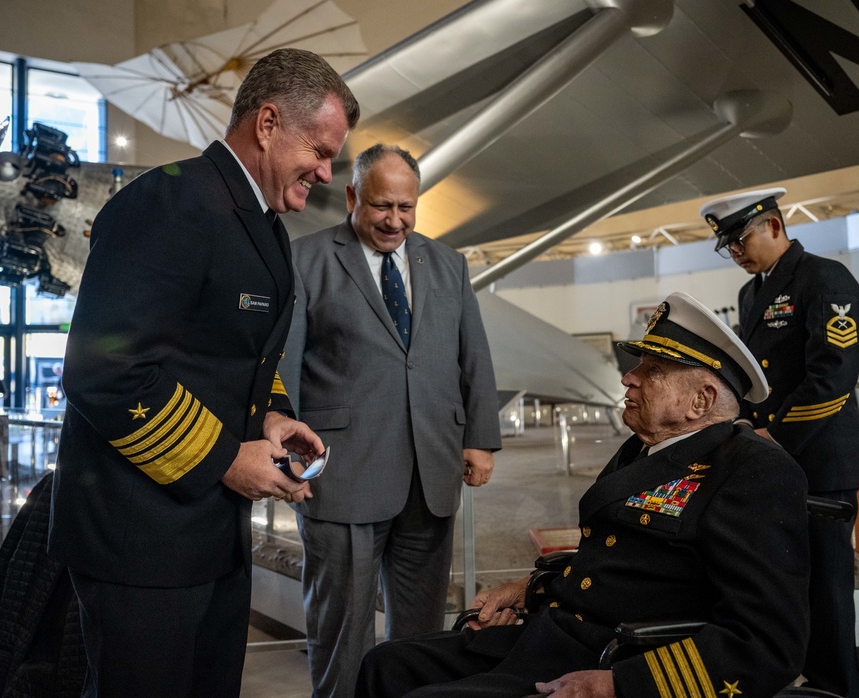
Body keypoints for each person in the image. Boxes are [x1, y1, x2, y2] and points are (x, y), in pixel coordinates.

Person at [47, 48, 360, 697]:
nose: (327, 174)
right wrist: (225, 457)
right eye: (320, 150)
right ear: (268, 123)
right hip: (139, 542)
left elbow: (237, 354)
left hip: (210, 534)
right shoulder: (168, 200)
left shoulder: (264, 227)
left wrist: (271, 419)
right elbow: (103, 371)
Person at [357, 291, 811, 698]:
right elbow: (614, 561)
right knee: (386, 665)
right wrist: (528, 590)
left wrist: (621, 686)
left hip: (613, 660)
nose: (628, 379)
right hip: (552, 633)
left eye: (651, 371)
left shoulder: (754, 471)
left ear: (701, 400)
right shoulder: (643, 449)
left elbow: (767, 644)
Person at [281, 143, 502, 697]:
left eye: (407, 207)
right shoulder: (305, 259)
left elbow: (472, 354)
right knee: (341, 634)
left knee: (422, 636)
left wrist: (480, 438)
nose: (394, 220)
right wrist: (282, 447)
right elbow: (281, 364)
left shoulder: (448, 263)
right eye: (382, 206)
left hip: (432, 473)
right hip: (341, 475)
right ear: (353, 196)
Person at [702, 188, 859, 698]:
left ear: (774, 226)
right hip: (774, 463)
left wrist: (777, 433)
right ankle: (801, 676)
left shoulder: (825, 278)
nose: (735, 252)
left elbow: (832, 378)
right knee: (786, 583)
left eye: (741, 239)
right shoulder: (753, 293)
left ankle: (837, 687)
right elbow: (758, 378)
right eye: (727, 246)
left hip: (820, 460)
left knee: (827, 585)